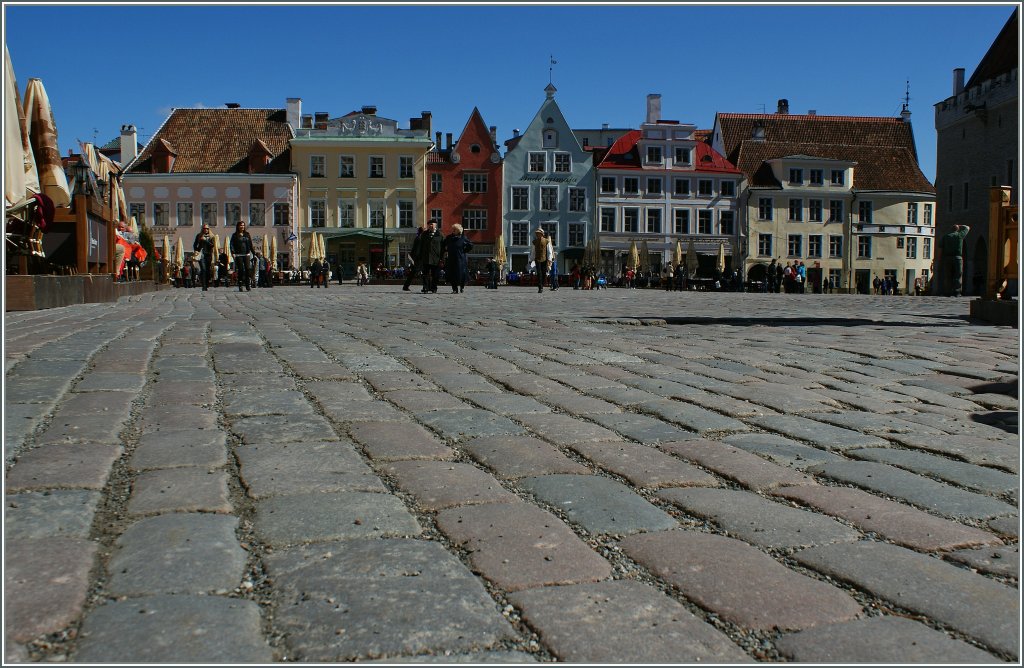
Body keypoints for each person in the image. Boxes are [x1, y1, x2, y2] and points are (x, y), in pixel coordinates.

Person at [940, 224, 970, 296]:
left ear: (951, 229)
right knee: (958, 274)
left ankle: (947, 291)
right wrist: (961, 225)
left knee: (948, 275)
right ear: (957, 229)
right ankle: (957, 291)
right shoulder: (960, 235)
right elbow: (967, 228)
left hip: (947, 258)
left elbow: (940, 246)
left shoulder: (946, 236)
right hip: (957, 258)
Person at [443, 223, 474, 294]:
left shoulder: (463, 238)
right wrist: (445, 250)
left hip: (461, 259)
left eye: (455, 229)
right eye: (453, 229)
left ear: (458, 231)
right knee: (452, 274)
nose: (453, 231)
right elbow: (444, 244)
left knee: (461, 274)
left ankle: (462, 287)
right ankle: (454, 289)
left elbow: (471, 245)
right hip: (451, 259)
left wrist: (465, 250)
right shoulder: (449, 238)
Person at [417, 219, 443, 293]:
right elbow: (421, 246)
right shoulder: (424, 234)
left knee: (435, 275)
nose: (431, 226)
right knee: (425, 274)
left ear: (436, 225)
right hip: (426, 257)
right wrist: (420, 256)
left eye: (432, 224)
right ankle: (425, 287)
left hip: (436, 258)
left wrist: (442, 258)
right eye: (429, 224)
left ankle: (434, 287)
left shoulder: (440, 235)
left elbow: (443, 247)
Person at [229, 221, 255, 292]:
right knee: (240, 269)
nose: (242, 227)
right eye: (241, 225)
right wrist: (233, 253)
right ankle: (240, 284)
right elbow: (231, 245)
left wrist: (254, 253)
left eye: (243, 225)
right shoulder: (234, 235)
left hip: (246, 254)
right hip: (238, 254)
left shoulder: (247, 234)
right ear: (238, 226)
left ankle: (247, 285)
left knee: (247, 269)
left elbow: (250, 245)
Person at [403, 223, 426, 291]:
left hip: (418, 259)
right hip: (419, 259)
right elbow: (417, 250)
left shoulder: (418, 237)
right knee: (419, 273)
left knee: (414, 273)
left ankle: (406, 286)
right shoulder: (420, 238)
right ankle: (425, 286)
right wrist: (415, 260)